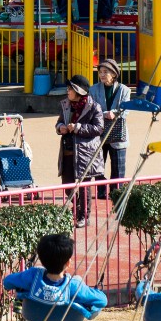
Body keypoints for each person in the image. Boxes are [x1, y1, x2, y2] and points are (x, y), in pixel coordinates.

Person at [3, 232, 107, 318]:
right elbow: (102, 301)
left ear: (42, 261)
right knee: (78, 280)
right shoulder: (73, 286)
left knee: (24, 286)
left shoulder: (33, 276)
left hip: (34, 316)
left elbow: (7, 282)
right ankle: (86, 307)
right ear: (68, 263)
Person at [55, 73, 105, 226]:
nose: (67, 92)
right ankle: (77, 206)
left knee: (84, 185)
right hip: (68, 151)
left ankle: (84, 216)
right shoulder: (65, 105)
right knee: (67, 184)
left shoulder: (94, 106)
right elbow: (59, 122)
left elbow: (99, 128)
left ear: (78, 91)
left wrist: (78, 128)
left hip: (85, 152)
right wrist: (60, 128)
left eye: (70, 89)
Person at [89, 56, 130, 194]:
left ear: (113, 74)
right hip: (99, 133)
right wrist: (105, 113)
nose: (101, 75)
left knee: (118, 167)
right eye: (100, 72)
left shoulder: (125, 90)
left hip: (117, 133)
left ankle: (116, 191)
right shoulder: (93, 90)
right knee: (98, 165)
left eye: (105, 72)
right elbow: (92, 109)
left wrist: (115, 113)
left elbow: (125, 110)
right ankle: (101, 190)